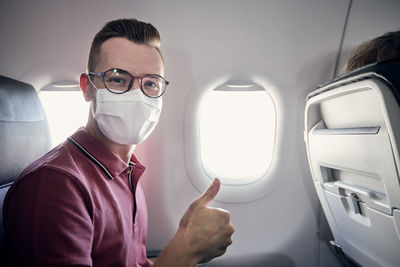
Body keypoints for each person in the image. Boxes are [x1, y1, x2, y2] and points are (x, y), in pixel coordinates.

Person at [3, 18, 234, 266]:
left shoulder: (127, 171)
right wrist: (186, 250)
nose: (137, 95)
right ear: (87, 88)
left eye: (150, 83)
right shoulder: (54, 185)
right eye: (117, 79)